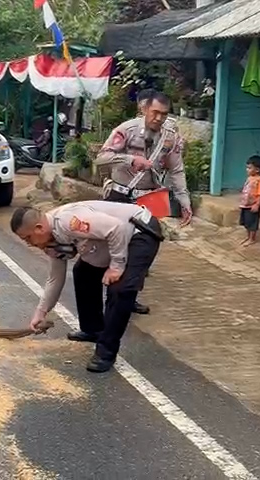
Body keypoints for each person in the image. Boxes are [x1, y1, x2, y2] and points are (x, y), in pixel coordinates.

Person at [10, 201, 163, 373]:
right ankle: (93, 329)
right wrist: (41, 312)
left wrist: (117, 266)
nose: (29, 244)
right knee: (83, 273)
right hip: (115, 238)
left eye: (28, 238)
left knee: (121, 289)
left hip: (139, 231)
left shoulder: (69, 222)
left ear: (39, 228)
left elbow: (116, 228)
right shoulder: (51, 237)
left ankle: (106, 352)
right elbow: (55, 278)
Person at [95, 89, 191, 315]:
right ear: (144, 109)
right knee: (114, 247)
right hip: (119, 196)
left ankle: (129, 296)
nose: (158, 118)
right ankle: (111, 298)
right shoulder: (126, 130)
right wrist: (130, 159)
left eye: (164, 114)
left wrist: (184, 201)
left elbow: (176, 169)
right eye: (155, 112)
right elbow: (102, 157)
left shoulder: (170, 138)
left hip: (147, 199)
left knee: (140, 251)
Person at [239, 155, 260, 246]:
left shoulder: (259, 180)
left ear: (257, 170)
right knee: (246, 222)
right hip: (245, 205)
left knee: (252, 223)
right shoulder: (249, 178)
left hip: (252, 205)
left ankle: (252, 239)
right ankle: (248, 237)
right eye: (247, 167)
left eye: (249, 168)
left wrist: (257, 204)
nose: (247, 170)